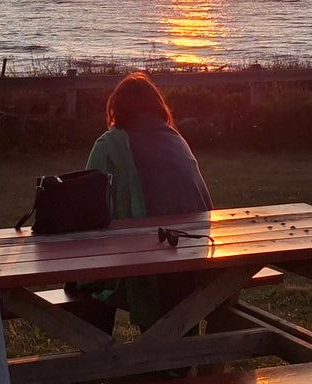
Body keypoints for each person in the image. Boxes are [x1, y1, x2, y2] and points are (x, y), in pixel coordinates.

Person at [72, 72, 212, 333]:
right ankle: (172, 355)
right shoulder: (177, 141)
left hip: (149, 259)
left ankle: (96, 357)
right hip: (196, 255)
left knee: (89, 279)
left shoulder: (109, 145)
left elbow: (86, 209)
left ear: (117, 109)